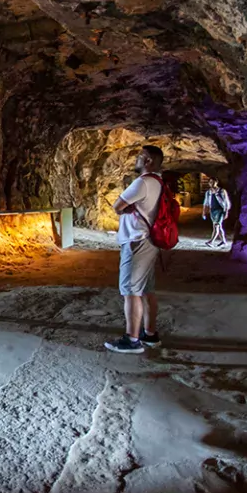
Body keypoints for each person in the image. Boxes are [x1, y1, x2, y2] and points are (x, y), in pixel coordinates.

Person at [104, 145, 165, 354]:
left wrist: (125, 207)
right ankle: (150, 334)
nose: (136, 160)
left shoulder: (143, 182)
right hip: (149, 242)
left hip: (137, 241)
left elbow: (117, 206)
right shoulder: (158, 182)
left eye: (139, 157)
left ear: (147, 160)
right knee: (146, 290)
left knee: (130, 291)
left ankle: (132, 339)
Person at [203, 178, 231, 248]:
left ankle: (211, 241)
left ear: (216, 182)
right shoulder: (208, 192)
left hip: (220, 210)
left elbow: (226, 201)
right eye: (210, 182)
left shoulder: (222, 191)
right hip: (213, 211)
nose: (211, 183)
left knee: (217, 226)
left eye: (213, 182)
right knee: (218, 226)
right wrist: (204, 212)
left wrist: (226, 212)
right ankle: (224, 242)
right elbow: (206, 203)